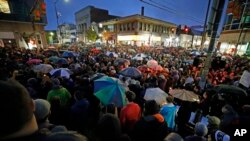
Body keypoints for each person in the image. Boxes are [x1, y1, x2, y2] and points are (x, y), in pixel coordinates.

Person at [0, 79, 87, 141]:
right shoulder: (68, 137)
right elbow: (69, 97)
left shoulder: (50, 93)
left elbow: (48, 100)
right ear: (32, 105)